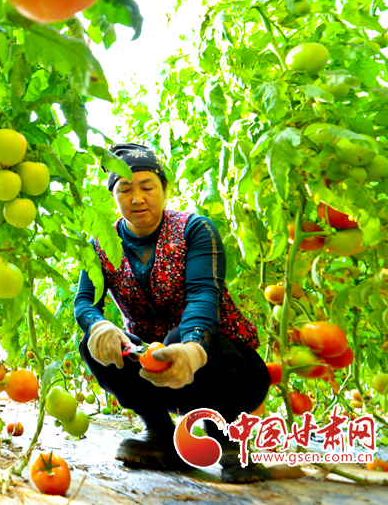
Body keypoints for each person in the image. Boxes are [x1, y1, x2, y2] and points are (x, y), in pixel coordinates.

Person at [73, 143, 270, 483]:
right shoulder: (102, 245)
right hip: (155, 370)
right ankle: (160, 434)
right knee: (92, 345)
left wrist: (191, 350)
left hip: (230, 371)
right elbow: (84, 302)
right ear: (114, 197)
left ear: (165, 189)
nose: (137, 198)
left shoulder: (195, 230)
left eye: (147, 187)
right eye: (125, 189)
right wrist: (98, 325)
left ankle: (229, 441)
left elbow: (203, 294)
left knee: (181, 336)